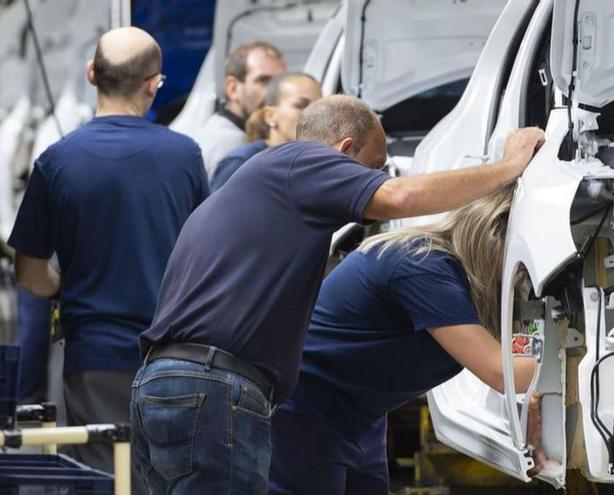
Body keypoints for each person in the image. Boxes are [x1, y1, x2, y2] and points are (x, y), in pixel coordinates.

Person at [131, 95, 544, 493]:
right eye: (375, 168)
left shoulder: (272, 189)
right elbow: (400, 198)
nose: (378, 181)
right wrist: (508, 168)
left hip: (176, 383)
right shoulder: (301, 162)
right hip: (216, 386)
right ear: (344, 151)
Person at [8, 27, 208, 492]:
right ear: (154, 83)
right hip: (174, 357)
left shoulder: (56, 162)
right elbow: (207, 253)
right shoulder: (185, 156)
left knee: (103, 480)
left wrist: (60, 283)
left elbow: (29, 273)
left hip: (94, 360)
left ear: (91, 73)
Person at [268, 183, 538, 494]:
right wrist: (570, 371)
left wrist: (534, 397)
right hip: (305, 410)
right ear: (494, 232)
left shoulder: (465, 287)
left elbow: (520, 354)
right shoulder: (425, 266)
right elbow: (500, 371)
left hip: (359, 416)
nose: (524, 274)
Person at [210, 72, 322, 192]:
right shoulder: (241, 162)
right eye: (300, 105)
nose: (314, 113)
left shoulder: (321, 163)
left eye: (319, 106)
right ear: (270, 116)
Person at [193, 41, 286, 179]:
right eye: (263, 80)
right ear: (233, 88)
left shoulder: (245, 141)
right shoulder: (227, 149)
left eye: (280, 81)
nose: (275, 91)